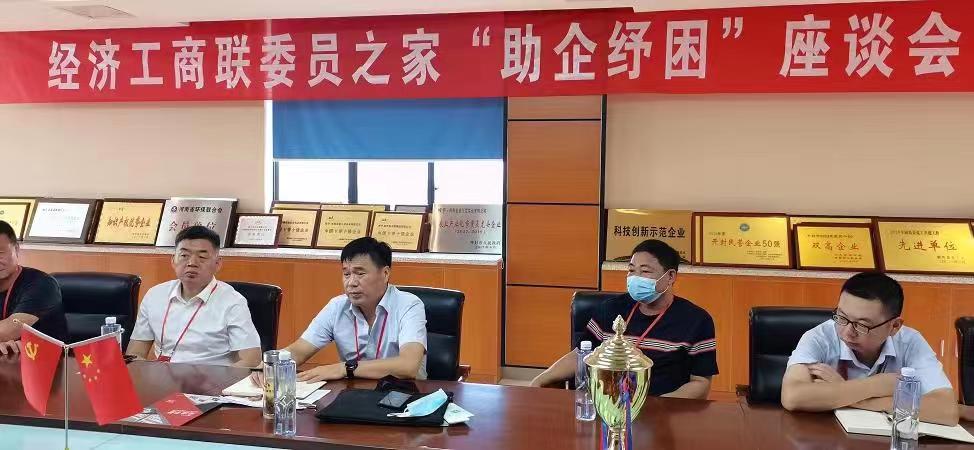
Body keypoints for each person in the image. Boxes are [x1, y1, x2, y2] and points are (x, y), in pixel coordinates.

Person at [530, 240, 717, 399]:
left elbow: (700, 383)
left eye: (645, 271)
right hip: (606, 404)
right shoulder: (611, 309)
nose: (635, 278)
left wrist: (658, 407)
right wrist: (539, 380)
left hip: (664, 413)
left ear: (670, 276)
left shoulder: (696, 320)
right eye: (631, 270)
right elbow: (580, 355)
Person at [781, 272, 959, 425]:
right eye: (842, 317)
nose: (847, 332)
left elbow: (946, 410)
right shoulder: (820, 337)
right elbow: (793, 396)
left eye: (861, 325)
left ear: (894, 326)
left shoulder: (910, 342)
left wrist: (848, 394)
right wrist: (876, 385)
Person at [258, 237, 427, 383]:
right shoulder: (337, 306)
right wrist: (268, 365)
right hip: (353, 393)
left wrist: (344, 368)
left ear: (385, 274)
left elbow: (408, 366)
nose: (351, 283)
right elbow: (300, 350)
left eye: (360, 274)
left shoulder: (409, 305)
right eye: (346, 274)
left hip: (404, 394)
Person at [126, 226, 261, 367]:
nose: (191, 263)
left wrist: (214, 380)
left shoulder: (233, 302)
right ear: (173, 260)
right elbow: (136, 353)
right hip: (161, 376)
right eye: (184, 255)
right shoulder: (155, 295)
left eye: (202, 257)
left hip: (210, 378)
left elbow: (251, 359)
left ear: (217, 264)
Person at [0, 220, 67, 355]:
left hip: (50, 362)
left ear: (16, 249)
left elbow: (9, 331)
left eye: (0, 253)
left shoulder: (42, 284)